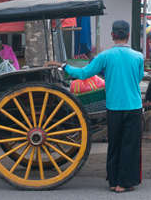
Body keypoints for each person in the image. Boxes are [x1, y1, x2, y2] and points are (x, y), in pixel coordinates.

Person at [46, 20, 143, 193]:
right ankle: (125, 183)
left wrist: (63, 66)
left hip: (113, 107)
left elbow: (84, 73)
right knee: (130, 145)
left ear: (113, 35)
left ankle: (113, 181)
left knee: (114, 144)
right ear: (128, 35)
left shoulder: (105, 56)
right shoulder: (138, 56)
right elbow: (139, 77)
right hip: (134, 106)